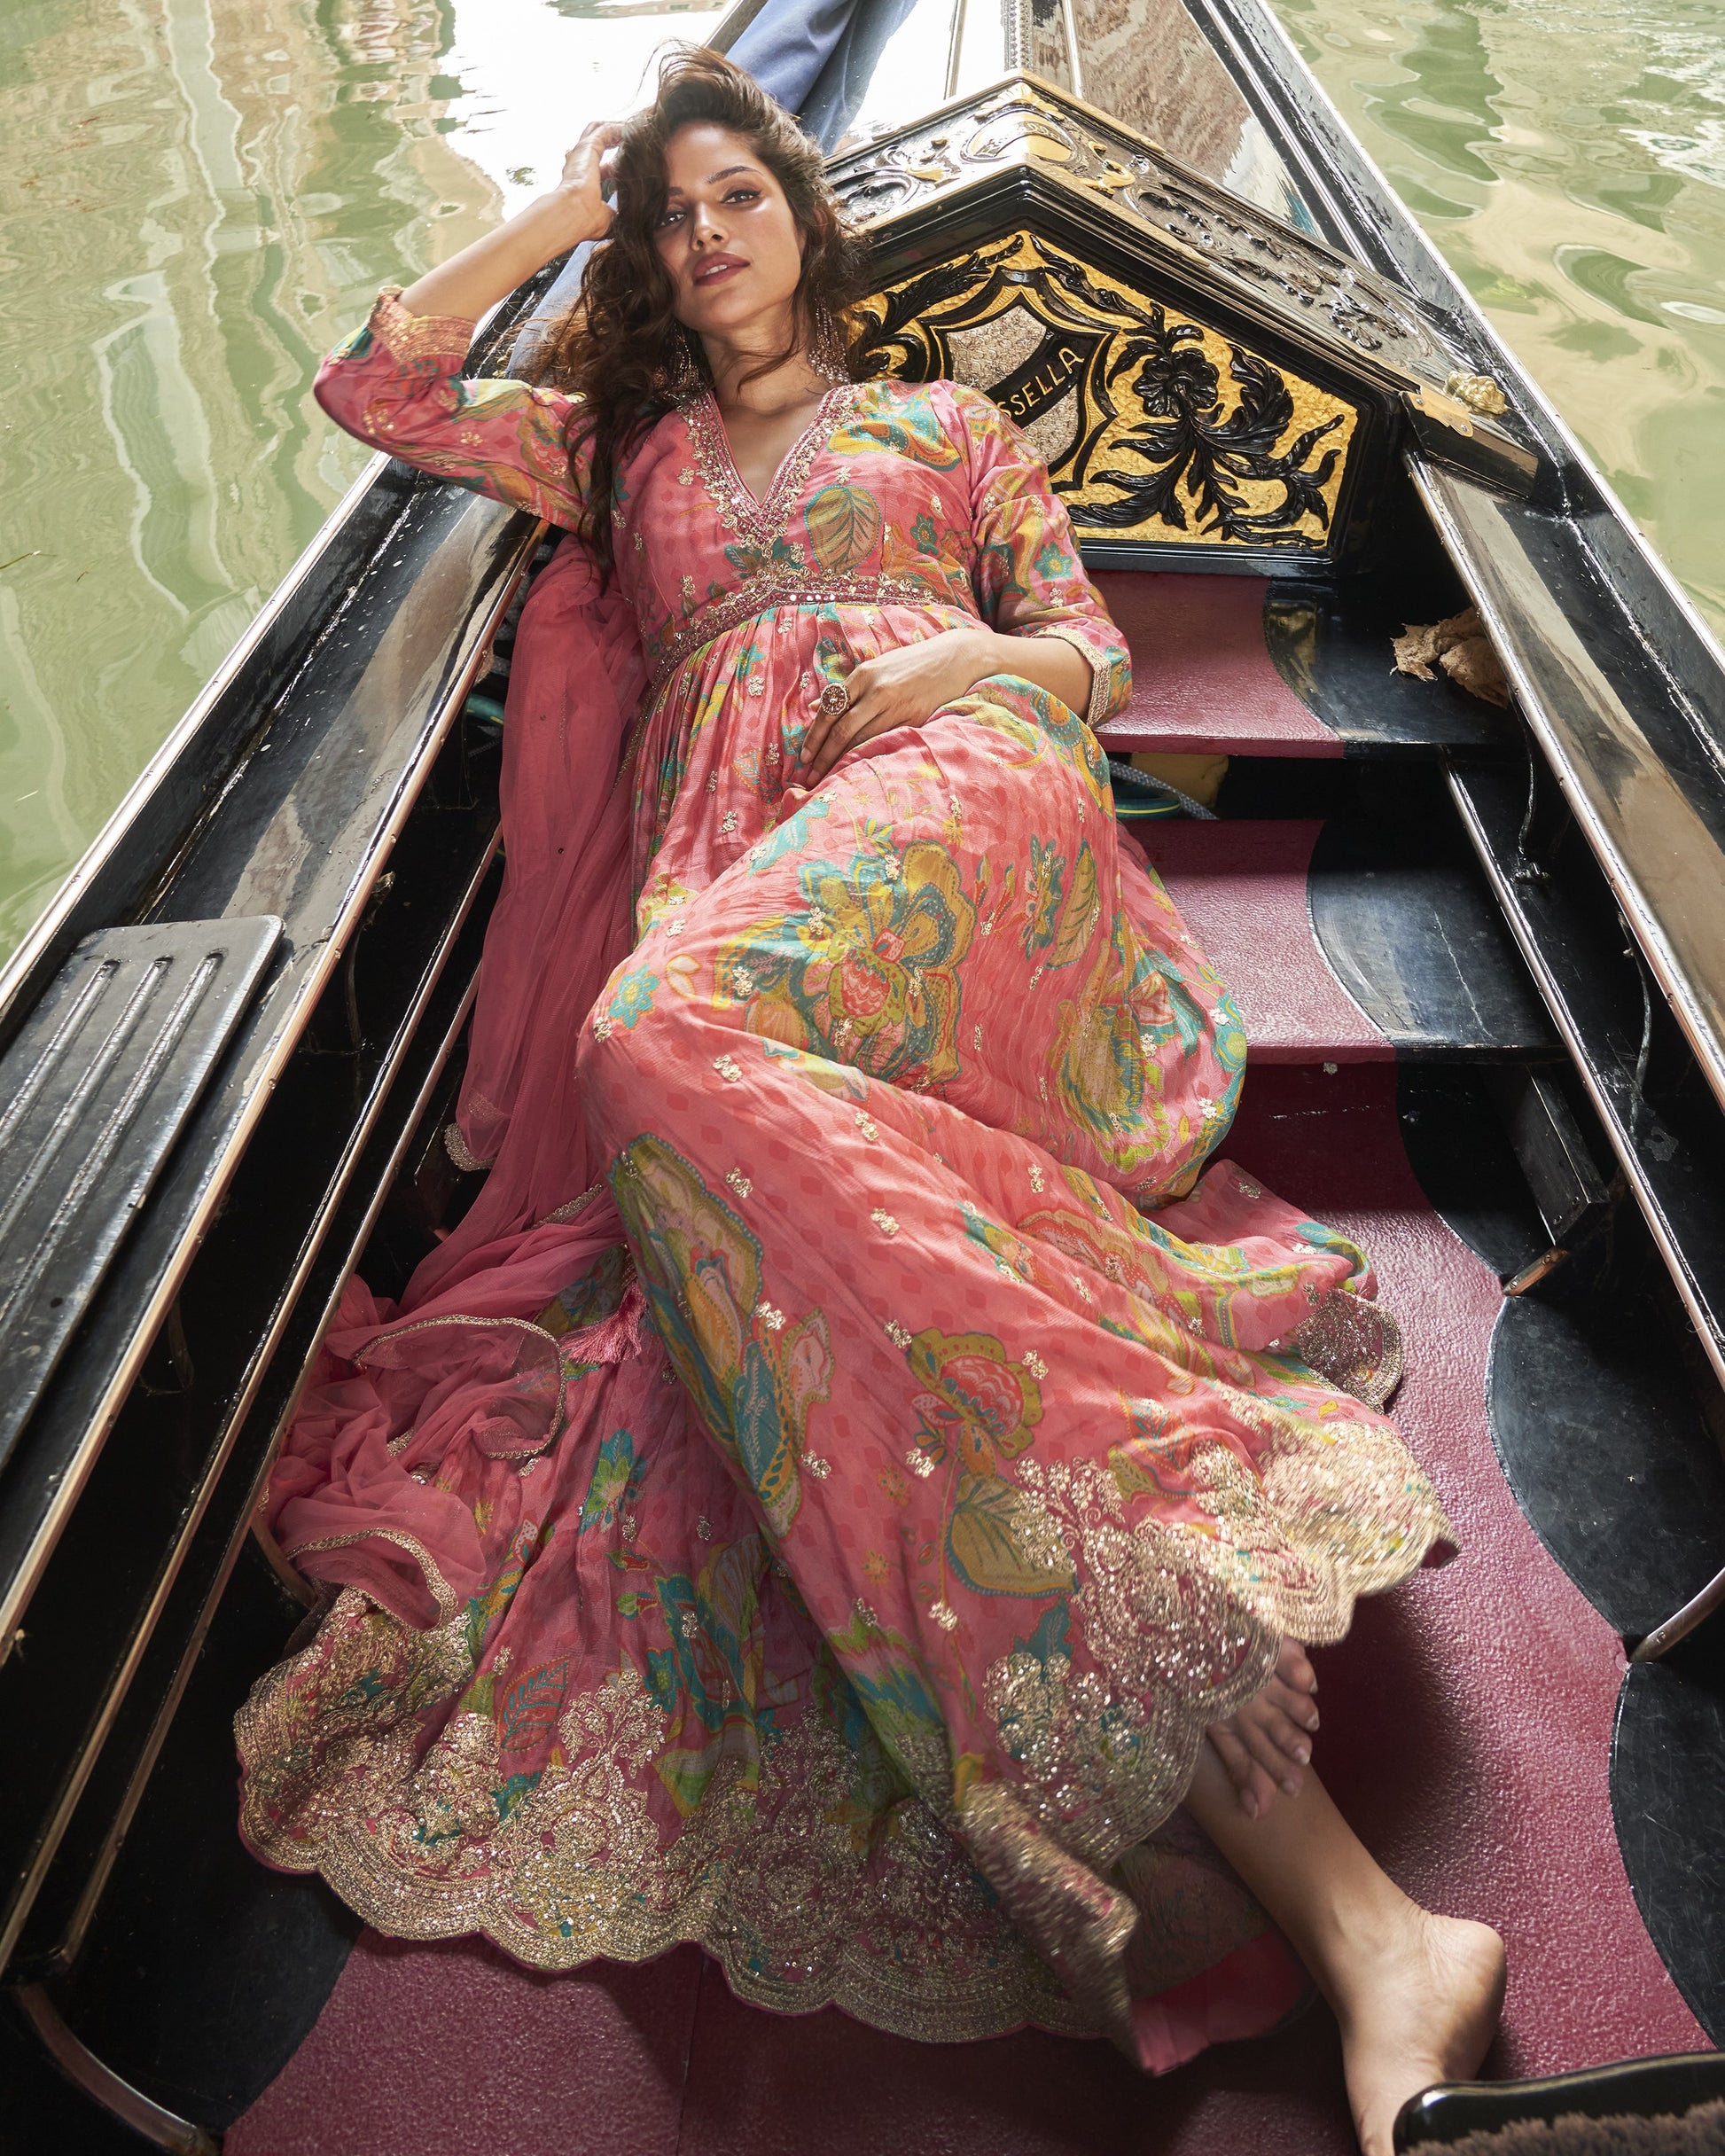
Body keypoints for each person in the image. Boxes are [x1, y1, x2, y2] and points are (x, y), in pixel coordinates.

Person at [234, 49, 1504, 2153]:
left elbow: (1086, 657)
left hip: (950, 817)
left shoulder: (948, 427)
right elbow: (382, 385)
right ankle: (1334, 1875)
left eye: (738, 192)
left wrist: (961, 669)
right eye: (672, 214)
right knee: (738, 1172)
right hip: (733, 883)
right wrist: (563, 209)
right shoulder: (615, 449)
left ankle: (1316, 1854)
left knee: (650, 1047)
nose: (705, 230)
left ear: (809, 223)